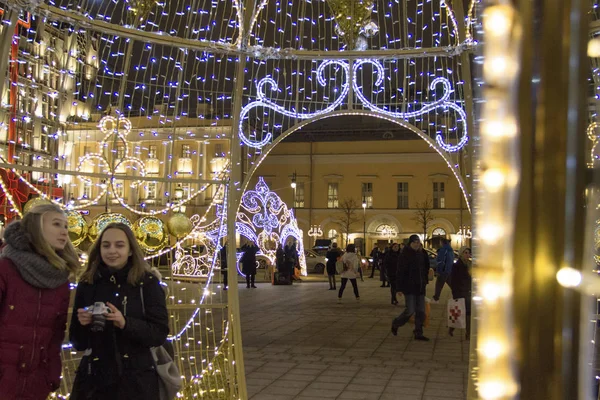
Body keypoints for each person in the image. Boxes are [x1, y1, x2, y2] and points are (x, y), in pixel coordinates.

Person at [69, 223, 169, 400]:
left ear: (131, 250)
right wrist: (83, 324)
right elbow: (78, 343)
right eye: (106, 245)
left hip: (137, 381)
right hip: (95, 381)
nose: (112, 250)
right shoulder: (88, 283)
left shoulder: (147, 283)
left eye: (119, 245)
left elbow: (159, 333)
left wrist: (125, 323)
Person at [0, 204, 80, 400]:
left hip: (34, 383)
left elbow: (55, 334)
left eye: (66, 226)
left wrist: (50, 373)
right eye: (56, 224)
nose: (64, 232)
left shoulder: (60, 279)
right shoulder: (6, 268)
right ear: (36, 227)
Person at [391, 234, 430, 341]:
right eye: (415, 242)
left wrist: (425, 280)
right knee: (410, 310)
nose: (417, 244)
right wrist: (398, 288)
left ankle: (418, 332)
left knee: (421, 311)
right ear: (410, 243)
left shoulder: (421, 254)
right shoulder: (405, 255)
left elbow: (425, 268)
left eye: (418, 243)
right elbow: (400, 272)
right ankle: (396, 323)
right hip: (409, 288)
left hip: (420, 288)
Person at [448, 247, 472, 340]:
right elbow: (453, 281)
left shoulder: (470, 264)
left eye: (468, 253)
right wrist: (455, 294)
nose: (467, 254)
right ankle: (451, 328)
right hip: (460, 292)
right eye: (465, 253)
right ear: (461, 254)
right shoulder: (457, 265)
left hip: (468, 292)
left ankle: (468, 334)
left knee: (468, 313)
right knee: (459, 313)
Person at [432, 238, 454, 303]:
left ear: (442, 243)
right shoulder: (450, 250)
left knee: (439, 285)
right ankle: (457, 295)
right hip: (449, 270)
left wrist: (438, 271)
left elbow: (440, 261)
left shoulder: (443, 250)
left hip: (443, 270)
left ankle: (436, 298)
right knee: (452, 284)